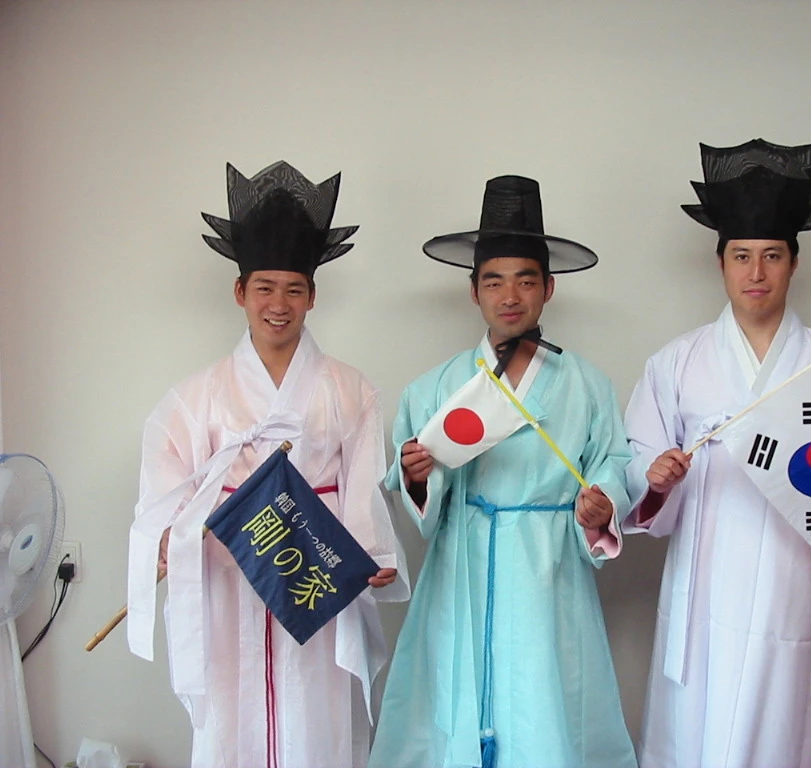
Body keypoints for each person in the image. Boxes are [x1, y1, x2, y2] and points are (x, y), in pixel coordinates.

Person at [623, 139, 811, 768]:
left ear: (794, 263)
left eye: (772, 256)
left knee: (779, 725)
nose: (756, 273)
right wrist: (656, 478)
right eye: (741, 256)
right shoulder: (677, 361)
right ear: (720, 263)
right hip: (705, 575)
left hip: (790, 577)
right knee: (697, 726)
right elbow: (640, 462)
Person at [125, 161, 409, 768]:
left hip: (314, 574)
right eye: (264, 288)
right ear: (240, 292)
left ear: (313, 296)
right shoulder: (196, 396)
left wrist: (371, 553)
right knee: (234, 716)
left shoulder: (351, 389)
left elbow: (364, 485)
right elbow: (166, 478)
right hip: (232, 569)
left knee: (316, 713)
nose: (279, 305)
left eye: (294, 290)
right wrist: (177, 532)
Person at [368, 175, 637, 768]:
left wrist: (602, 505)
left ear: (548, 288)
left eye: (525, 280)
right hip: (461, 562)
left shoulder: (587, 385)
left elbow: (614, 463)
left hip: (548, 566)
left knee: (547, 700)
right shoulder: (435, 388)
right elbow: (411, 488)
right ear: (474, 291)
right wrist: (417, 475)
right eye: (494, 280)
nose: (509, 295)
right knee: (451, 700)